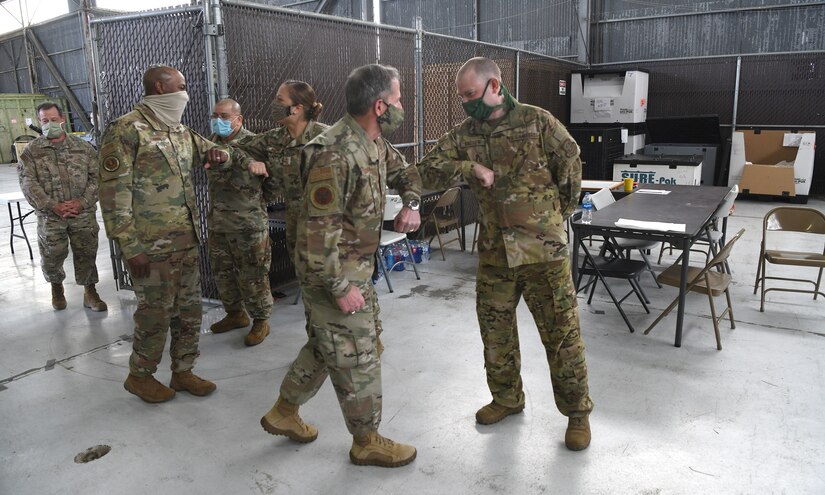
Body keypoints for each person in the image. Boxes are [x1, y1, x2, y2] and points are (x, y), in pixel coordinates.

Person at [416, 57, 594, 451]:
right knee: (495, 333)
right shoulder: (465, 134)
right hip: (496, 254)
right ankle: (507, 398)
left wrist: (554, 215)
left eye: (470, 94)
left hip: (542, 253)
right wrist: (468, 168)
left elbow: (570, 164)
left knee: (561, 335)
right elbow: (428, 170)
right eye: (461, 96)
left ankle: (577, 413)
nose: (465, 103)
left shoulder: (538, 121)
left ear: (495, 85)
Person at [259, 65, 422, 468]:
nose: (401, 107)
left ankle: (283, 411)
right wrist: (338, 287)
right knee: (357, 355)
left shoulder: (373, 144)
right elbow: (317, 234)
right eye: (398, 101)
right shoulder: (334, 153)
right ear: (380, 105)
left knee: (326, 345)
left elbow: (406, 172)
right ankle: (365, 440)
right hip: (332, 275)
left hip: (355, 270)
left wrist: (412, 204)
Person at [98, 65, 233, 403]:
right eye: (181, 85)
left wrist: (221, 154)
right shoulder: (127, 130)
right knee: (155, 313)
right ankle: (140, 375)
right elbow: (113, 196)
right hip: (150, 246)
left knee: (189, 311)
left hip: (185, 241)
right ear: (160, 87)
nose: (186, 91)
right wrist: (130, 247)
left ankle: (183, 371)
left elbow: (215, 151)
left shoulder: (179, 130)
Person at [18, 102, 107, 312]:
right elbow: (28, 183)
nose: (50, 124)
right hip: (51, 216)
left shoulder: (83, 147)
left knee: (86, 251)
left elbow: (97, 178)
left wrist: (82, 202)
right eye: (45, 121)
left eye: (53, 120)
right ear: (40, 122)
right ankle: (56, 289)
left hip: (82, 213)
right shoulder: (32, 151)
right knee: (52, 253)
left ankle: (90, 292)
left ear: (62, 120)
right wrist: (52, 205)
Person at [204, 98, 272, 346]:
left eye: (223, 116)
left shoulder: (253, 144)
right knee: (222, 274)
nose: (218, 120)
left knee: (253, 275)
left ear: (238, 119)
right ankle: (235, 314)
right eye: (215, 115)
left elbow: (270, 180)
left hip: (248, 224)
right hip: (219, 223)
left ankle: (261, 320)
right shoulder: (209, 142)